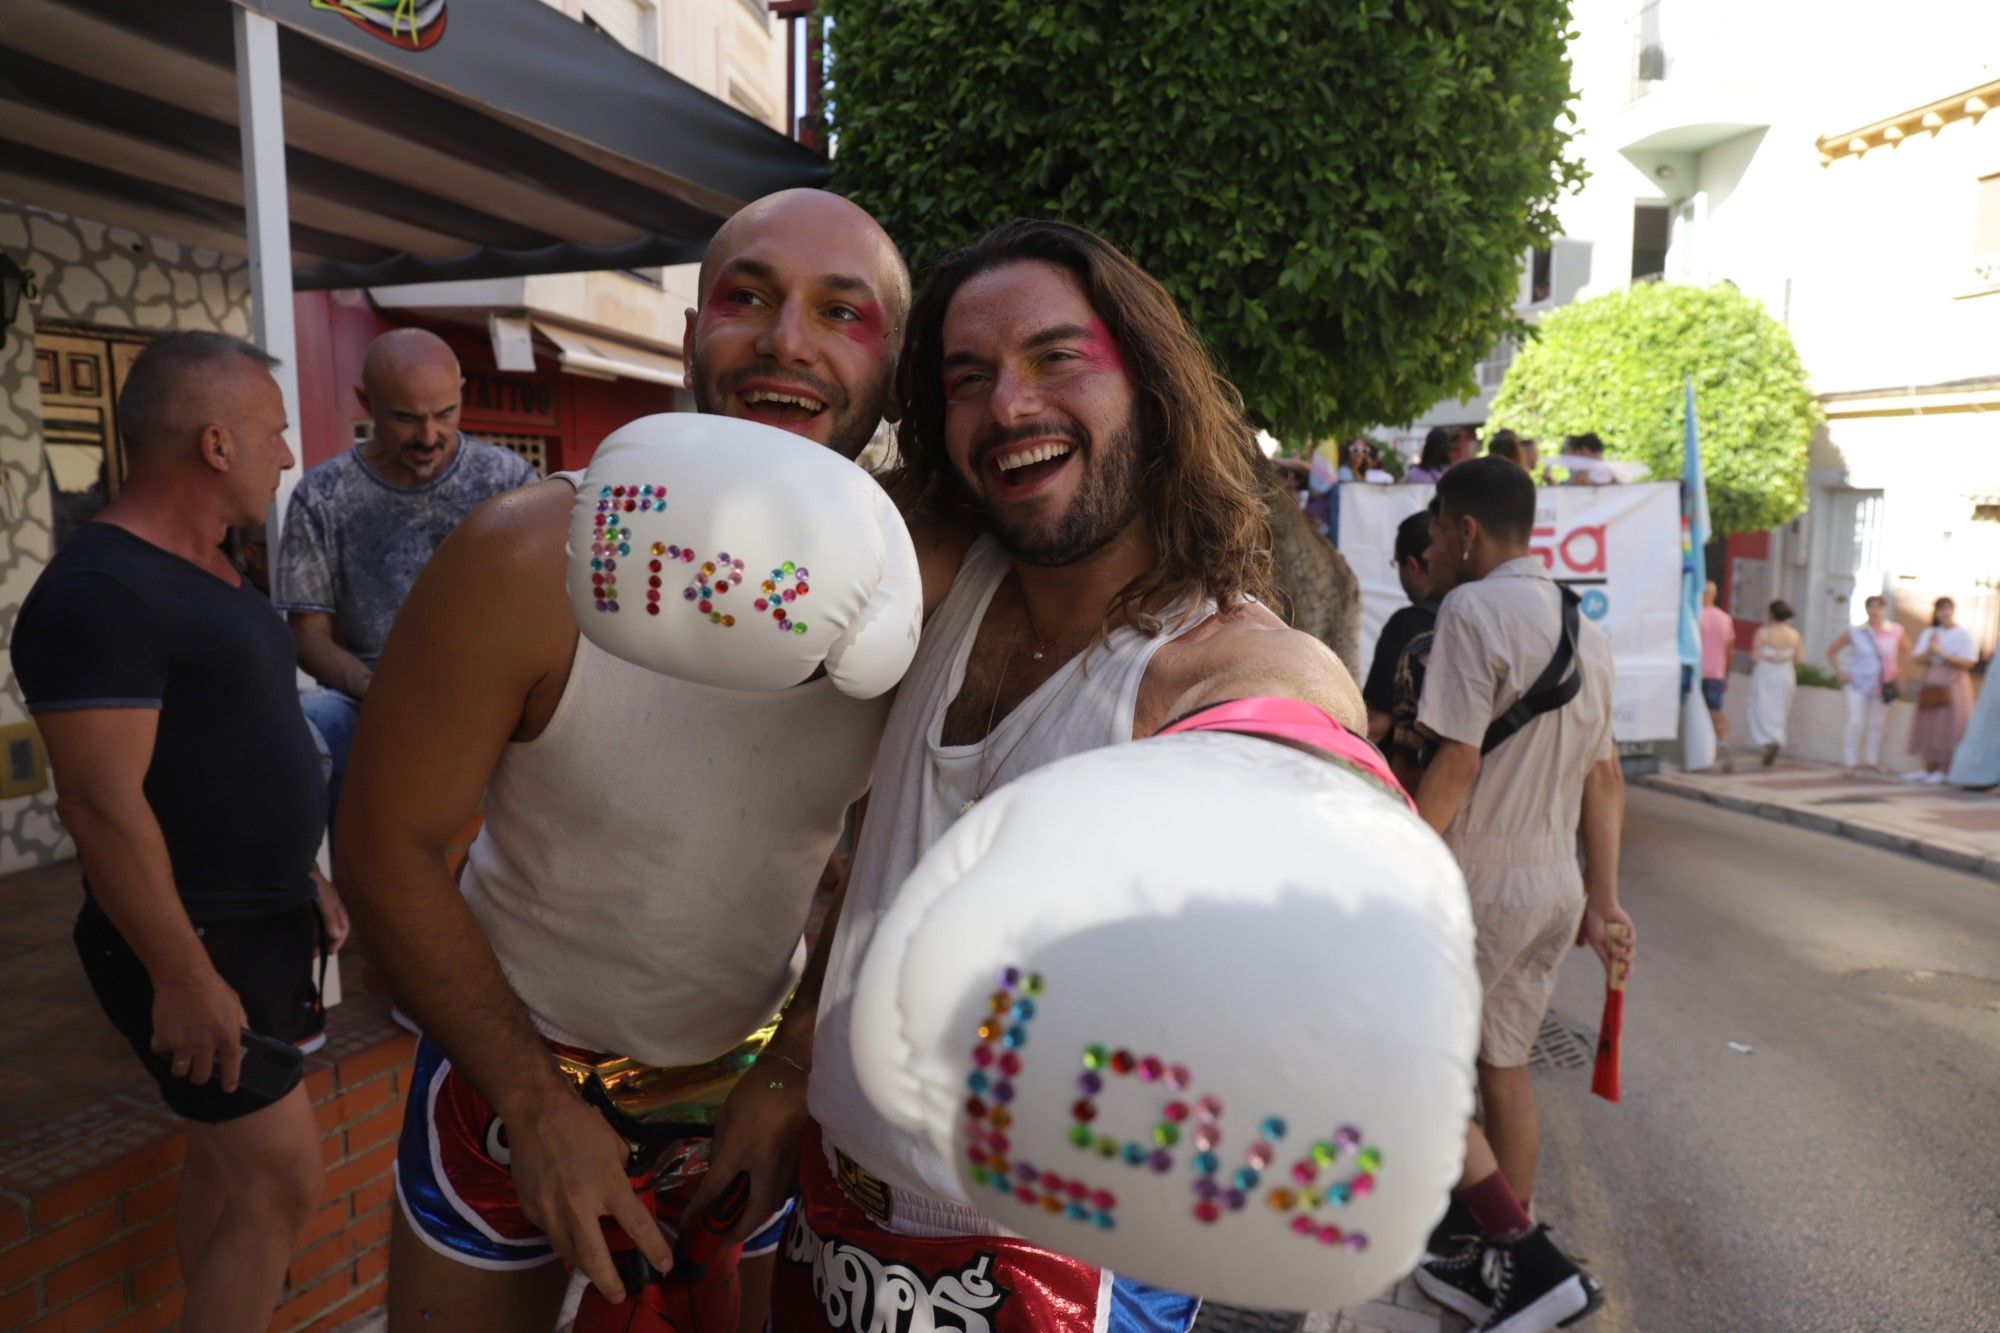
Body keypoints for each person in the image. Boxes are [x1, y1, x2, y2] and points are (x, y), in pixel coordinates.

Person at [334, 190, 925, 1333]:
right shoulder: (523, 556)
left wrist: (795, 1064)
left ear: (893, 369)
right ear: (691, 331)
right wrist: (532, 1100)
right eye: (745, 296)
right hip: (504, 1067)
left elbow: (910, 863)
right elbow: (383, 847)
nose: (783, 339)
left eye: (837, 313)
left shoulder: (922, 599)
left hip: (746, 1087)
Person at [776, 220, 1366, 1331]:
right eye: (967, 379)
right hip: (835, 1220)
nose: (1007, 405)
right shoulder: (933, 586)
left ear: (1144, 388)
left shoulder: (1219, 668)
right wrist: (782, 1070)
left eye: (1056, 358)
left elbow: (1295, 737)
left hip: (1069, 1274)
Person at [10, 332, 347, 1330]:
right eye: (275, 433)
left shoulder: (215, 571)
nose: (287, 455)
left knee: (227, 1165)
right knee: (282, 1186)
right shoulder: (101, 593)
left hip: (260, 919)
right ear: (215, 442)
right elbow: (100, 806)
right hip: (194, 940)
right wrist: (182, 974)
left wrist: (302, 873)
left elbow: (236, 742)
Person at [1408, 457, 1628, 1333]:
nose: (1431, 546)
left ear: (1465, 530)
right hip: (1554, 883)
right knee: (1504, 1066)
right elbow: (1605, 778)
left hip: (1479, 877)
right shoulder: (1589, 628)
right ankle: (1499, 1260)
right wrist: (1603, 903)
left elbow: (1457, 758)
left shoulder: (1469, 609)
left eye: (1435, 531)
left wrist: (1401, 862)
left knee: (1418, 1066)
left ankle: (1526, 1261)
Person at [274, 329, 539, 822]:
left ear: (461, 390)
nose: (429, 436)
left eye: (445, 414)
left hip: (492, 698)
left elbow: (545, 612)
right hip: (372, 700)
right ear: (365, 402)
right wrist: (382, 689)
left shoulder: (508, 482)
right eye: (405, 418)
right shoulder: (324, 494)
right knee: (309, 727)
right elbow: (307, 637)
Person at [1365, 510, 1441, 743]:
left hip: (1409, 771)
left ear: (1413, 565)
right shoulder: (1477, 615)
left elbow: (1375, 724)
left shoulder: (1406, 625)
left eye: (1396, 564)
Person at [1826, 595, 1906, 778]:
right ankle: (1850, 762)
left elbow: (1906, 650)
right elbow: (1832, 651)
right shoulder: (1856, 631)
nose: (1875, 610)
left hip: (1881, 684)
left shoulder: (1894, 630)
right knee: (1855, 722)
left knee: (1877, 723)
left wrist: (1897, 670)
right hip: (1858, 682)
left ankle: (1872, 760)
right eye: (1871, 606)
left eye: (1878, 607)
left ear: (1884, 609)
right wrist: (1840, 673)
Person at [1905, 596, 1977, 783]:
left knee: (1949, 723)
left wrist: (1943, 653)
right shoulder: (1930, 633)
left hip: (1953, 682)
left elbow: (1968, 661)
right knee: (1929, 723)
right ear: (1935, 612)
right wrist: (1931, 650)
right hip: (1931, 680)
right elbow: (1916, 658)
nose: (1944, 612)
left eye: (1948, 608)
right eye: (1941, 609)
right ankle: (1928, 768)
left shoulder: (1963, 634)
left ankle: (1943, 769)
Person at [1744, 600, 1802, 767]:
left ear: (1772, 614)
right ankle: (1777, 737)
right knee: (1780, 708)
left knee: (1761, 707)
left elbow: (1754, 656)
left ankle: (1767, 740)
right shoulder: (1794, 635)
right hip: (1785, 673)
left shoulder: (1763, 633)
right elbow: (1800, 659)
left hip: (1766, 672)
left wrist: (1768, 656)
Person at [1698, 581, 1735, 764]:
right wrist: (1727, 673)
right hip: (1717, 672)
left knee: (1698, 713)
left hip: (1698, 672)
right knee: (1716, 711)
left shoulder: (1695, 615)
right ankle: (1724, 742)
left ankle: (1704, 749)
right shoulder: (1725, 618)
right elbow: (1730, 649)